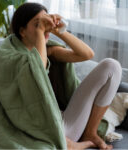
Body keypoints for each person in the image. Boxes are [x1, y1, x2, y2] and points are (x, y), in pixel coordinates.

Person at [10, 2, 122, 149]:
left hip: (63, 119)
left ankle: (90, 132)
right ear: (22, 31)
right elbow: (38, 72)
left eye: (45, 22)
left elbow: (87, 54)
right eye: (38, 24)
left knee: (112, 66)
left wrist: (57, 30)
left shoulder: (49, 50)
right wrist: (40, 31)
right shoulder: (11, 57)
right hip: (45, 130)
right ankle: (75, 144)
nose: (44, 28)